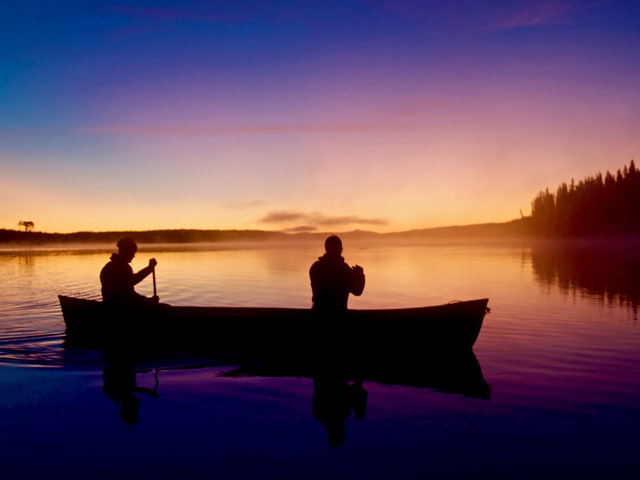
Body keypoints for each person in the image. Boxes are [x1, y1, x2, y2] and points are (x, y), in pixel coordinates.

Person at [309, 235, 365, 313]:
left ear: (326, 248)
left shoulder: (315, 267)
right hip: (339, 314)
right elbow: (357, 291)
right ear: (340, 249)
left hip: (318, 313)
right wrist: (359, 275)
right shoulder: (344, 269)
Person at [100, 236, 159, 308]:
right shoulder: (122, 268)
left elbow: (129, 288)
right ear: (126, 251)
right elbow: (129, 291)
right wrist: (148, 301)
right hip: (119, 307)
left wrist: (149, 269)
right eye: (133, 252)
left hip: (110, 303)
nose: (134, 256)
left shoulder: (109, 266)